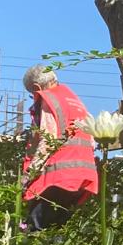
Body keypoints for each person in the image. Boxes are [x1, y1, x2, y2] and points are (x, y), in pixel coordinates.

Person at [21, 65, 99, 231]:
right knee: (58, 232)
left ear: (37, 88)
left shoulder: (49, 98)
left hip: (57, 178)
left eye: (32, 94)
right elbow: (92, 142)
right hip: (82, 177)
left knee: (36, 231)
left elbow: (47, 139)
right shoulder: (76, 102)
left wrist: (28, 175)